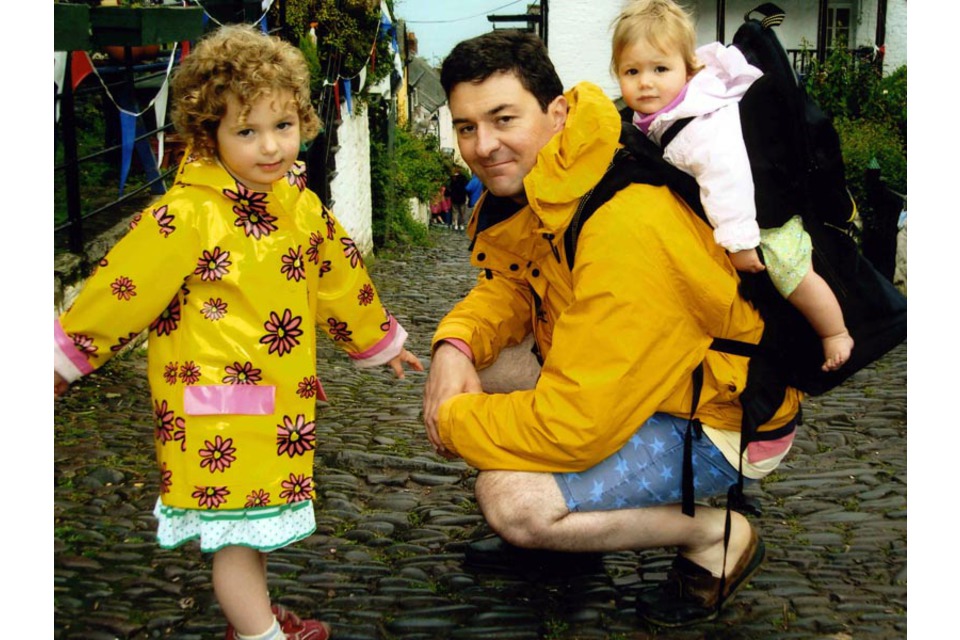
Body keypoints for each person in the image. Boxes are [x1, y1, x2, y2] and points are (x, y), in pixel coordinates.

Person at [54, 24, 423, 640]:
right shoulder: (188, 214)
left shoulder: (298, 203)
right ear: (210, 133)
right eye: (246, 131)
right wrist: (61, 362)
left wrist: (379, 341)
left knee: (254, 524)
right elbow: (122, 290)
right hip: (211, 410)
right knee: (232, 534)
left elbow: (337, 275)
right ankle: (258, 634)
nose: (271, 147)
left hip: (278, 403)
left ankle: (256, 616)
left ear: (303, 119)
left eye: (282, 126)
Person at [421, 29, 801, 627]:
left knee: (511, 500)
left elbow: (574, 427)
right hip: (651, 380)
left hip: (723, 416)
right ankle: (575, 540)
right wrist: (455, 345)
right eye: (467, 127)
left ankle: (717, 537)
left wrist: (451, 419)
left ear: (557, 111)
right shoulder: (564, 173)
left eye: (502, 119)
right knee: (482, 362)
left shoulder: (623, 224)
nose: (483, 145)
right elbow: (515, 284)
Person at [612, 0, 853, 372]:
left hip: (760, 221)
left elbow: (729, 179)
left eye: (660, 68)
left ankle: (835, 332)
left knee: (791, 272)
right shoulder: (661, 113)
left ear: (688, 70)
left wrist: (740, 242)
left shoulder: (701, 121)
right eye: (632, 71)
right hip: (729, 217)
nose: (645, 82)